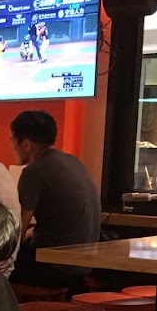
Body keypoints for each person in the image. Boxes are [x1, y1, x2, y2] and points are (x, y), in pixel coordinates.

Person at [8, 110, 101, 288]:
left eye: (12, 139)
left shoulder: (34, 171)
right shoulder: (74, 161)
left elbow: (18, 230)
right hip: (84, 265)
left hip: (54, 268)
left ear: (26, 144)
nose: (12, 146)